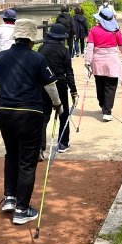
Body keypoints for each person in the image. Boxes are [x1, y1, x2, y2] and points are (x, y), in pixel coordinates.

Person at [0, 18, 62, 225]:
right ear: (32, 38)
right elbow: (50, 86)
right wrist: (57, 104)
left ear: (15, 36)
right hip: (30, 113)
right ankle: (22, 209)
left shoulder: (1, 57)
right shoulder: (37, 58)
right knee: (28, 160)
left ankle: (10, 198)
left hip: (6, 113)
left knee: (11, 154)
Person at [38, 23, 79, 158]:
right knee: (63, 114)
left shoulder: (41, 48)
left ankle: (39, 147)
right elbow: (69, 72)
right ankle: (63, 143)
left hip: (43, 84)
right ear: (61, 38)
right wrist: (73, 91)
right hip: (59, 84)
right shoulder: (64, 50)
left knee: (44, 116)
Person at [84, 7, 122, 122]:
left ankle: (103, 105)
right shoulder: (116, 30)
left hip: (97, 62)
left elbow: (90, 47)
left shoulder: (94, 30)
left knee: (100, 85)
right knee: (110, 87)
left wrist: (87, 61)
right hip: (112, 62)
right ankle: (107, 111)